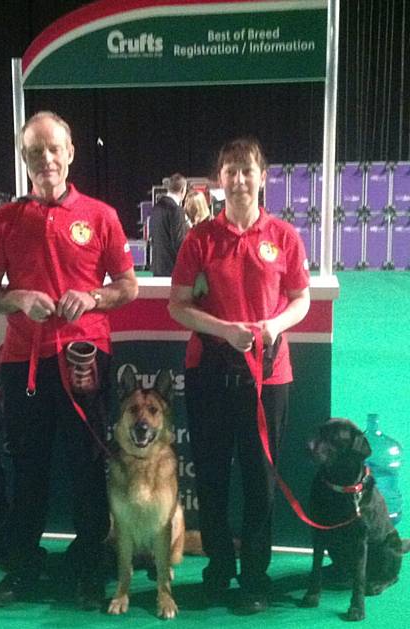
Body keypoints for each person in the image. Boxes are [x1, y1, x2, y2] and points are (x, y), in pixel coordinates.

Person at [0, 111, 138, 610]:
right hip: (24, 361)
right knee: (27, 470)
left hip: (84, 361)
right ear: (24, 160)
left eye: (53, 149)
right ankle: (23, 568)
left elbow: (127, 287)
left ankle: (89, 571)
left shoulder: (101, 215)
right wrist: (18, 298)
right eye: (34, 152)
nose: (45, 159)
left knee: (88, 470)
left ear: (69, 153)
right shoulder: (3, 221)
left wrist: (91, 299)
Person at [168, 138, 310, 615]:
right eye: (231, 171)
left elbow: (301, 300)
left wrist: (273, 325)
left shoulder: (285, 236)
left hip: (269, 380)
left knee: (258, 480)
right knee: (210, 479)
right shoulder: (200, 238)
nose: (240, 179)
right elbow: (179, 305)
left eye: (248, 170)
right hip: (209, 374)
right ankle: (218, 570)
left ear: (263, 176)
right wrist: (224, 330)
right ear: (219, 180)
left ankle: (253, 576)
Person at [150, 172, 188, 276]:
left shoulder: (156, 207)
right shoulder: (176, 210)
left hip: (157, 267)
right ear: (183, 190)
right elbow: (179, 242)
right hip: (172, 270)